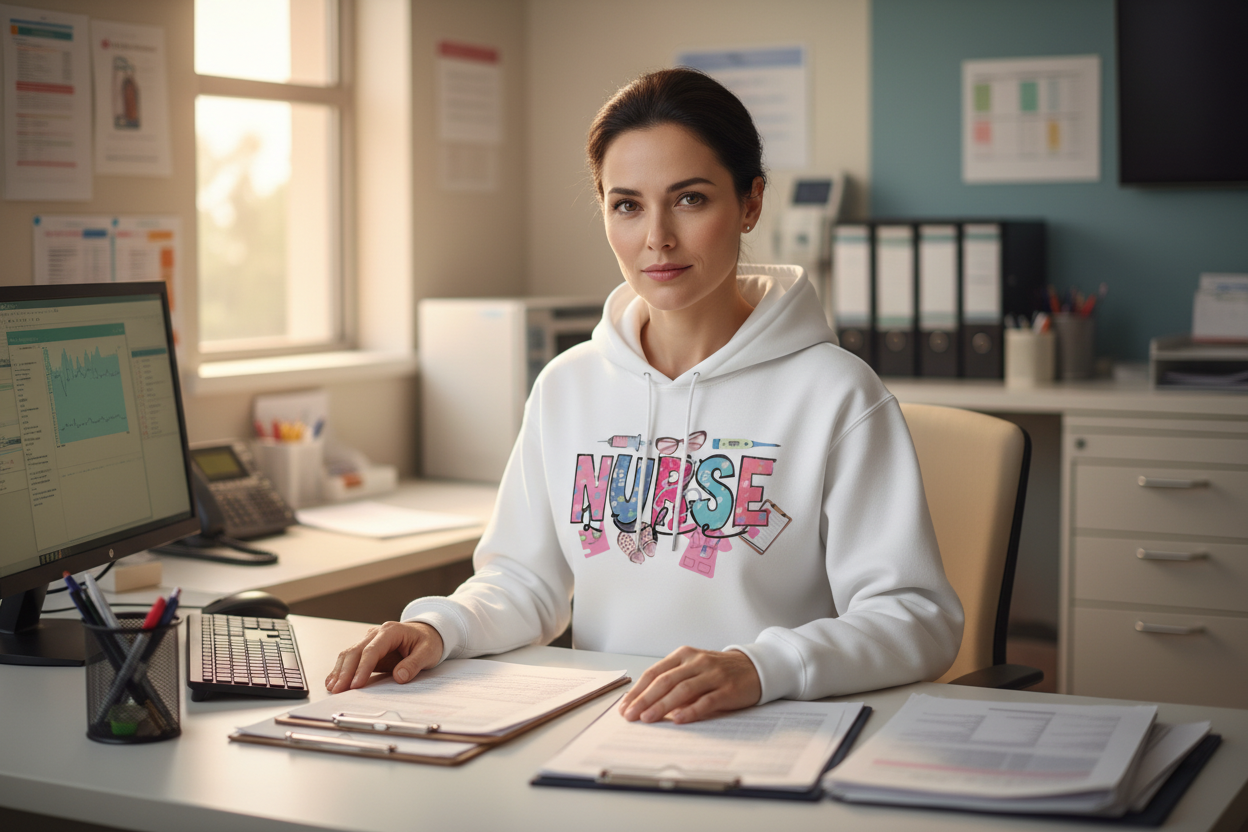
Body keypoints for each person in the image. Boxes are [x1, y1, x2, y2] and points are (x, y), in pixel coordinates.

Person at [326, 68, 963, 725]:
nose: (656, 236)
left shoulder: (835, 393)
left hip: (775, 732)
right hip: (611, 731)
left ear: (750, 203)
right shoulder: (567, 386)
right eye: (627, 205)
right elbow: (524, 582)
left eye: (689, 199)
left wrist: (760, 667)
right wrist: (441, 627)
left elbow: (917, 618)